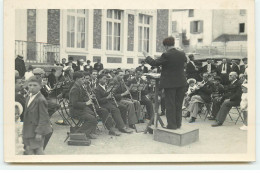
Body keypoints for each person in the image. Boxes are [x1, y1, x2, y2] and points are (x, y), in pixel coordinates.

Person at [143, 36, 187, 129]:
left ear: (166, 46)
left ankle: (171, 125)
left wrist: (146, 56)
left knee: (170, 105)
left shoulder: (166, 55)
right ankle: (178, 124)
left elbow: (154, 63)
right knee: (178, 104)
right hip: (182, 82)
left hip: (170, 84)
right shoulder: (182, 54)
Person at [23, 76, 53, 155]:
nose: (32, 87)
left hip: (36, 130)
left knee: (36, 150)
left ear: (40, 86)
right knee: (30, 149)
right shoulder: (29, 97)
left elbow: (44, 117)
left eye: (35, 85)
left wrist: (39, 132)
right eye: (30, 85)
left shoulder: (41, 99)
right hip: (28, 129)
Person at [68, 71, 98, 139]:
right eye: (82, 79)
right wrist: (86, 103)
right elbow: (74, 104)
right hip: (75, 111)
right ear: (77, 79)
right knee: (92, 119)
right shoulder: (74, 89)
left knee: (94, 114)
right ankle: (79, 133)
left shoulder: (79, 86)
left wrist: (89, 98)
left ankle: (90, 132)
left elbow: (82, 98)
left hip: (80, 109)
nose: (83, 80)